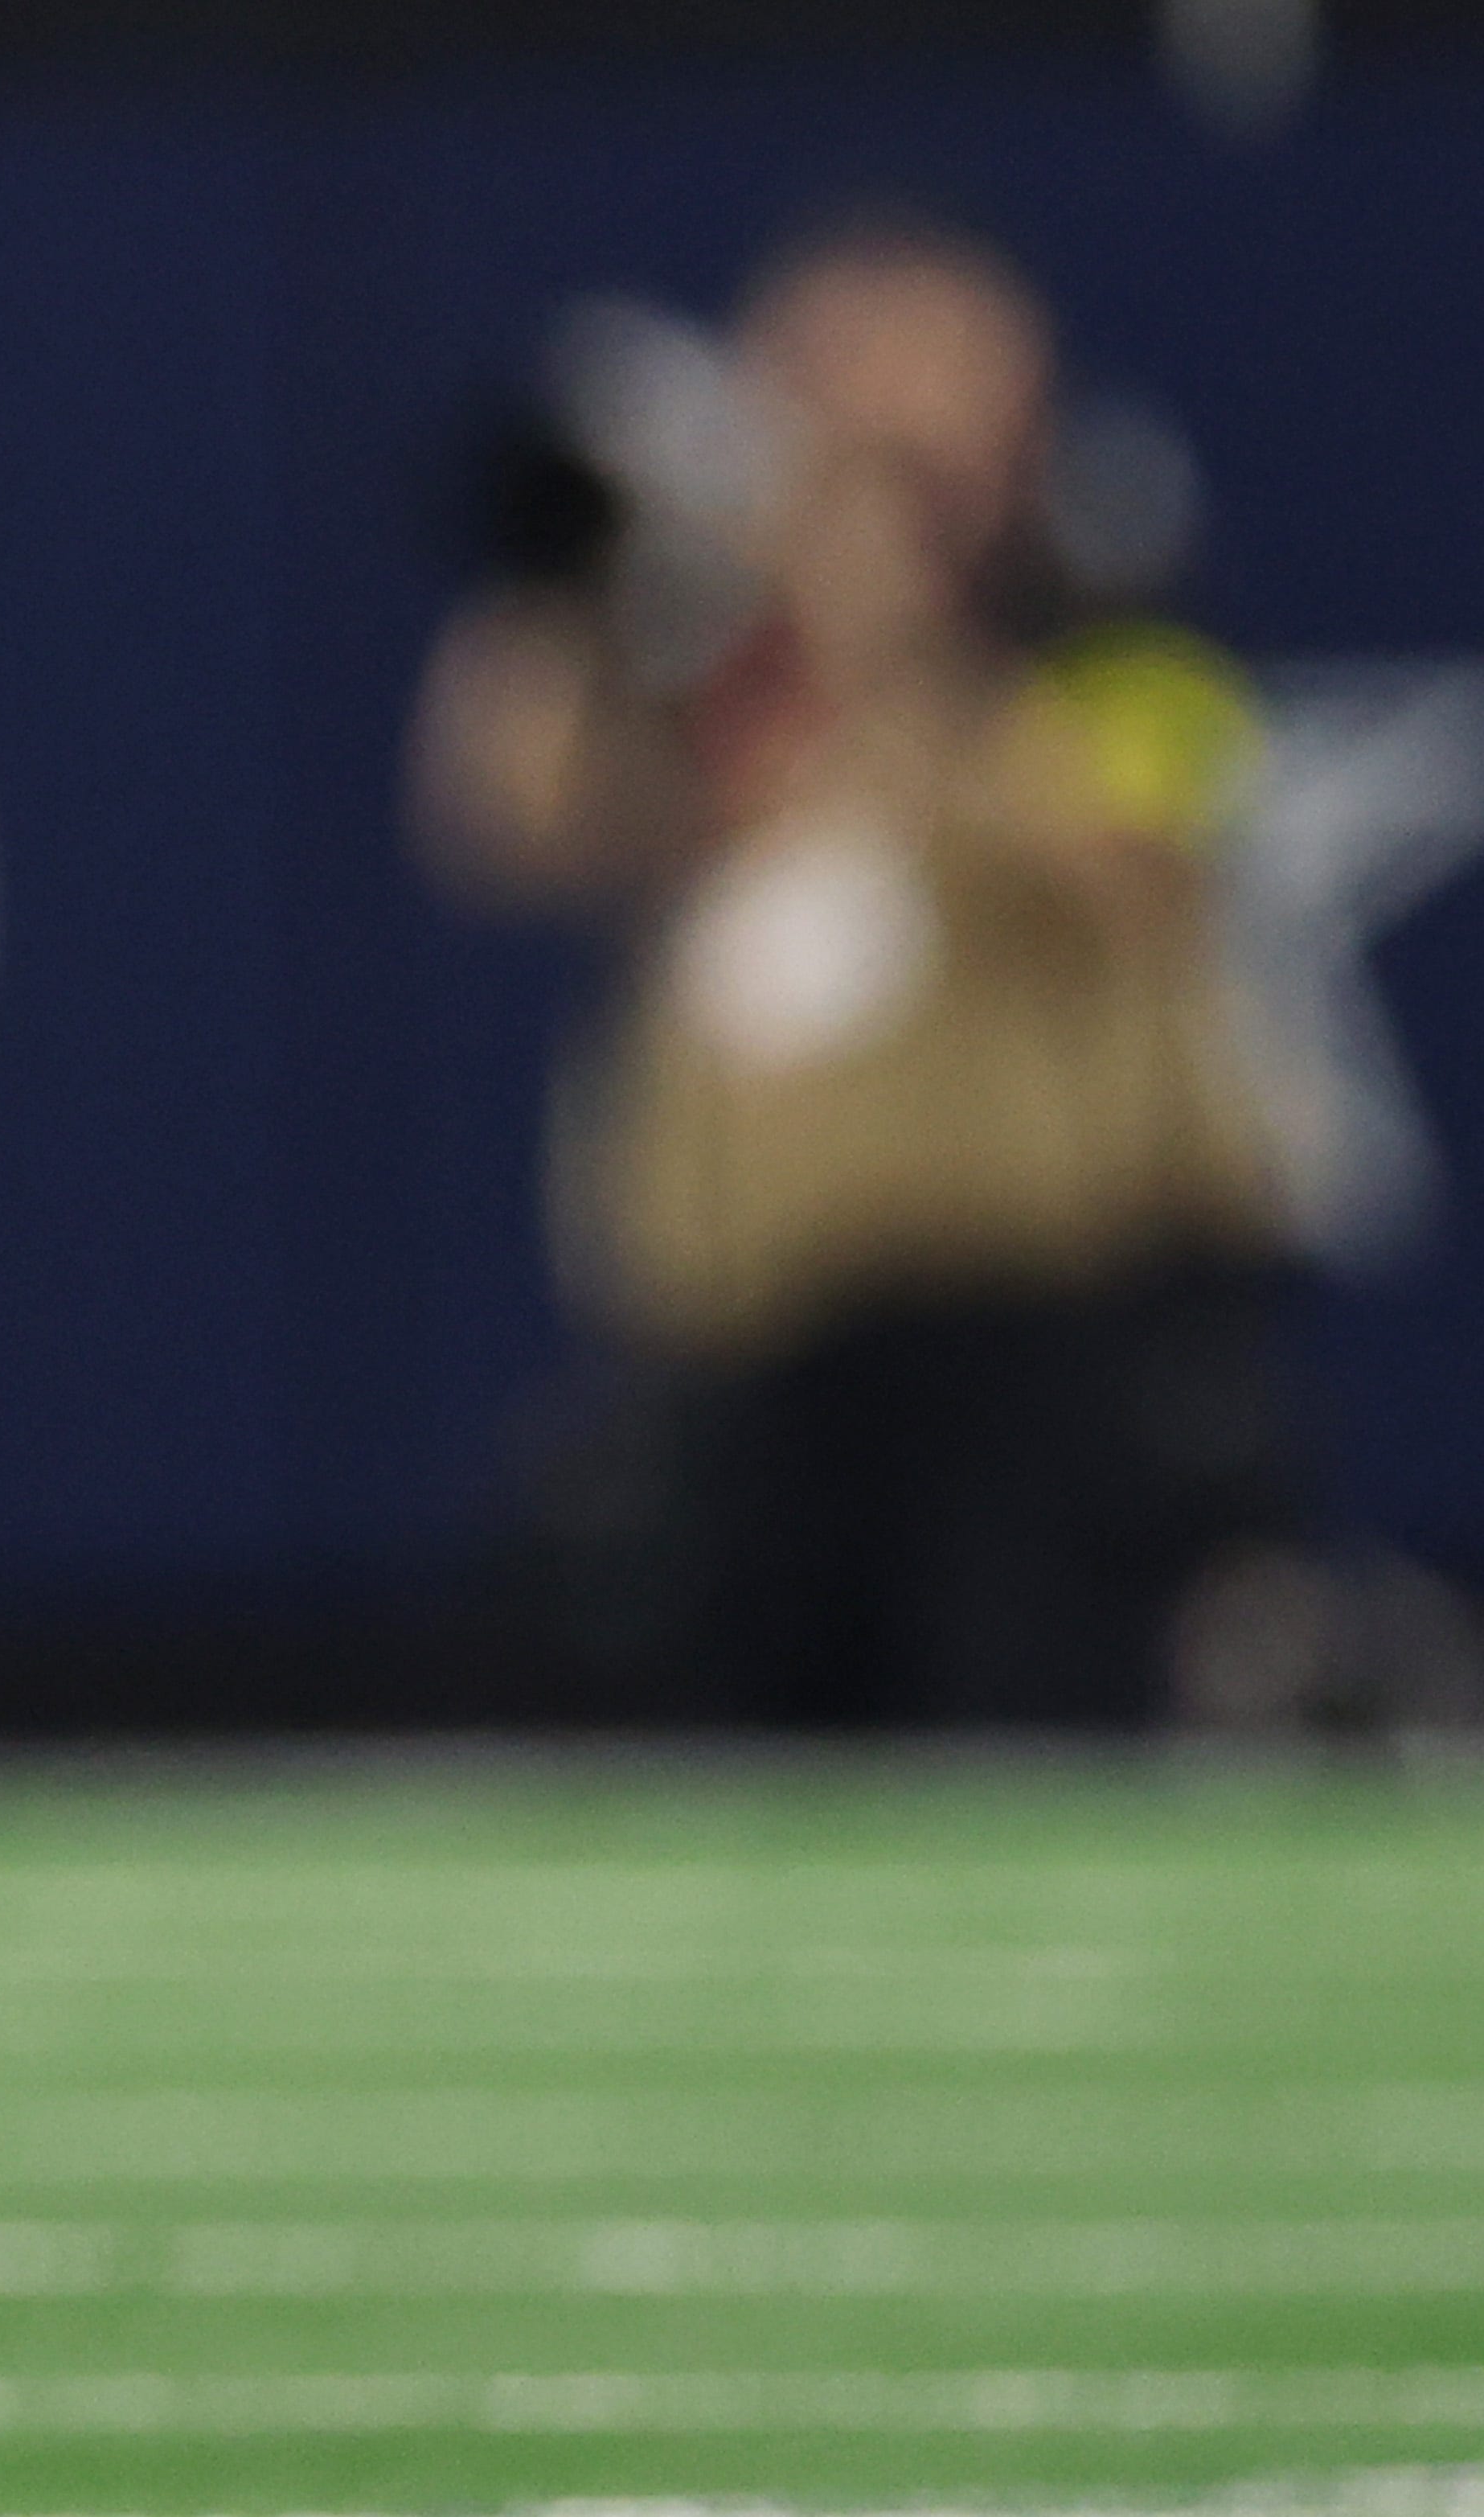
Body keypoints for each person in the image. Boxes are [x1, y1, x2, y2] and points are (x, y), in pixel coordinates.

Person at [413, 217, 1301, 1727]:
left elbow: (1146, 851)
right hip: (742, 1363)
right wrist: (594, 590)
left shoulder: (1103, 611)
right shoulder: (707, 659)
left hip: (1024, 1363)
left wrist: (891, 644)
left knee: (1025, 1749)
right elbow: (500, 815)